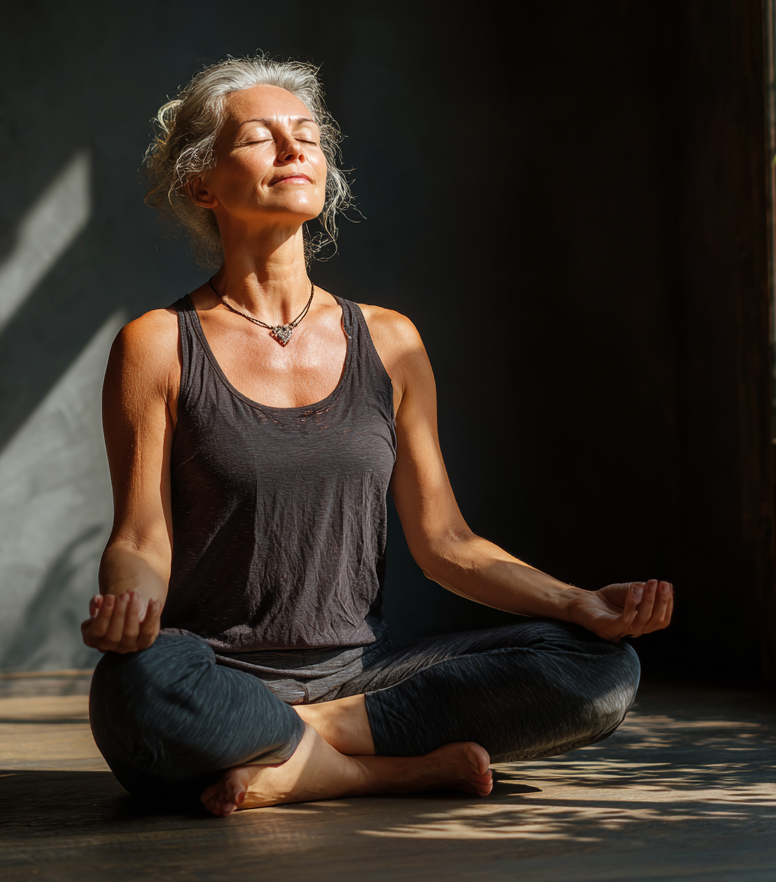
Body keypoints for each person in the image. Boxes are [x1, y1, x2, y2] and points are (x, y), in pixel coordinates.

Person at [82, 57, 673, 817]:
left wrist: (580, 602)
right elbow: (141, 534)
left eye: (307, 136)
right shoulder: (157, 344)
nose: (296, 151)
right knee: (139, 686)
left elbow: (447, 543)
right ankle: (381, 773)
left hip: (363, 679)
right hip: (214, 671)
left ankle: (298, 747)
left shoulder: (390, 341)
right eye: (263, 138)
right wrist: (130, 606)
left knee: (601, 668)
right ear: (203, 185)